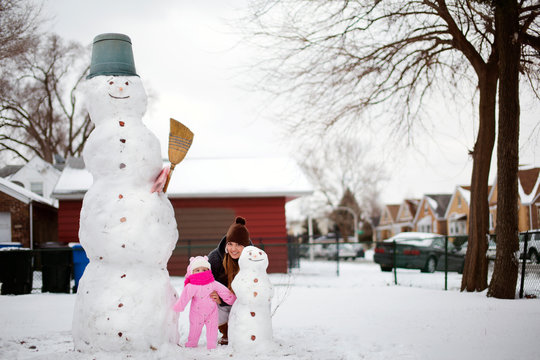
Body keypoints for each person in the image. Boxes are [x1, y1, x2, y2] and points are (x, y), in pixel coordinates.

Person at [172, 256, 236, 349]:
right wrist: (178, 307)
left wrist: (231, 299)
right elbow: (184, 298)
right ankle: (192, 342)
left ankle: (211, 344)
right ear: (191, 272)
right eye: (197, 270)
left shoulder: (213, 283)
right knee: (194, 329)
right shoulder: (191, 286)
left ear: (208, 270)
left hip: (211, 312)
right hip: (196, 313)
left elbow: (224, 292)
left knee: (212, 329)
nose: (201, 272)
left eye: (204, 270)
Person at [208, 216, 252, 345]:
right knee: (211, 306)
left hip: (242, 301)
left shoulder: (252, 259)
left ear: (246, 246)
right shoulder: (216, 258)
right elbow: (207, 282)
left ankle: (247, 332)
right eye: (230, 244)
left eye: (238, 245)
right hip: (221, 302)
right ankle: (226, 333)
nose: (233, 249)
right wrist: (214, 295)